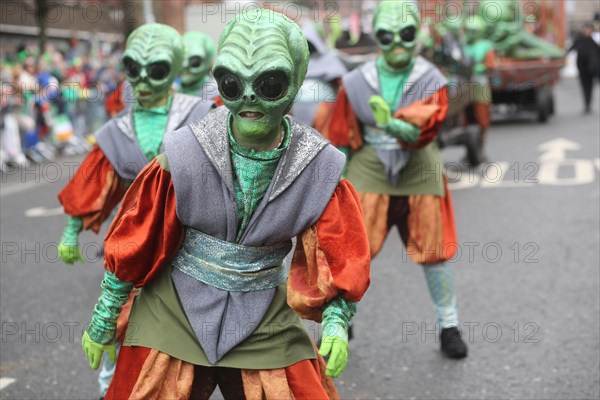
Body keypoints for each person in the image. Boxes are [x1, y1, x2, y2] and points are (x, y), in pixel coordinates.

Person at [81, 9, 371, 399]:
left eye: (269, 83)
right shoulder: (184, 153)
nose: (249, 95)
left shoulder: (319, 166)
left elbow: (339, 252)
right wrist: (104, 318)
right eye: (233, 83)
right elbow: (138, 237)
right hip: (175, 306)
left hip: (263, 308)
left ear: (295, 82)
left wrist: (336, 321)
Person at [57, 23, 214, 398]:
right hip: (134, 239)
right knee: (120, 319)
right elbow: (95, 182)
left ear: (174, 70)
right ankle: (112, 386)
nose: (142, 80)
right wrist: (70, 230)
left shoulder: (204, 113)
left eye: (156, 69)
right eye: (134, 68)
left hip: (192, 242)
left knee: (198, 331)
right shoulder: (117, 129)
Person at [328, 0, 468, 359]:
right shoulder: (356, 81)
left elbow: (424, 129)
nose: (397, 45)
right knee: (350, 251)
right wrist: (332, 182)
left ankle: (448, 326)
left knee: (434, 253)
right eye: (387, 37)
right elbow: (342, 134)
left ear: (417, 32)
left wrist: (390, 122)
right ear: (378, 37)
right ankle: (339, 323)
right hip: (370, 165)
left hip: (418, 164)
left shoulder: (431, 78)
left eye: (405, 34)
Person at [463, 15, 496, 161]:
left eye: (474, 30)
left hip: (480, 85)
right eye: (469, 30)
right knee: (464, 120)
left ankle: (481, 149)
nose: (471, 33)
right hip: (462, 87)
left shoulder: (485, 46)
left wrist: (478, 67)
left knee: (482, 119)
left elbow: (491, 65)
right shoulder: (462, 45)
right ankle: (469, 151)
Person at [568, 23, 600, 113]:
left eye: (589, 30)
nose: (587, 32)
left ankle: (588, 104)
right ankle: (586, 104)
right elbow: (571, 49)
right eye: (586, 29)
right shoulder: (579, 40)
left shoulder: (592, 42)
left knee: (590, 87)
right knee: (584, 86)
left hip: (591, 69)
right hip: (582, 68)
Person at [179, 31, 219, 102]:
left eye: (195, 62)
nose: (184, 65)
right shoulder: (173, 92)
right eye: (180, 60)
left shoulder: (216, 95)